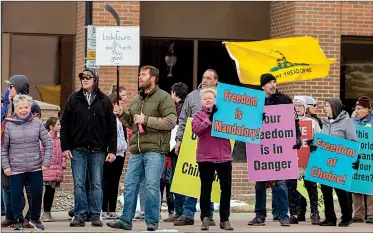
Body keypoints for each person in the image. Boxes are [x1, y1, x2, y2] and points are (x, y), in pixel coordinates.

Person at [107, 65, 177, 231]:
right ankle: (125, 220)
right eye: (139, 74)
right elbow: (132, 121)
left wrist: (146, 120)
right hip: (137, 150)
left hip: (155, 149)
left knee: (152, 186)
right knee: (130, 185)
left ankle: (152, 221)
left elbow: (170, 122)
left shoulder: (164, 97)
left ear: (153, 78)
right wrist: (122, 114)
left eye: (143, 75)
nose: (140, 77)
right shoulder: (137, 99)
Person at [60, 68, 117, 227]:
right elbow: (64, 125)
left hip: (98, 150)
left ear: (95, 79)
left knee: (96, 183)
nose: (84, 79)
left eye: (88, 77)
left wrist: (112, 150)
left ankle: (95, 215)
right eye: (82, 77)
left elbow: (112, 127)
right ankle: (80, 214)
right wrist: (65, 147)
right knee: (78, 183)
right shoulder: (73, 99)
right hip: (78, 149)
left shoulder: (104, 101)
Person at [248, 73, 301, 227]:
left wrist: (296, 137)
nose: (272, 85)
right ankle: (260, 215)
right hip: (261, 149)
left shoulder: (284, 100)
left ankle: (284, 215)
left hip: (279, 149)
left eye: (274, 82)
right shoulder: (256, 102)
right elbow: (248, 123)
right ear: (262, 86)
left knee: (281, 183)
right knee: (260, 183)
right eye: (269, 83)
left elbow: (294, 121)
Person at [1, 94, 53, 230]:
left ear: (30, 107)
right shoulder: (8, 124)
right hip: (15, 168)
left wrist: (46, 162)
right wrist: (6, 166)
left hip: (35, 167)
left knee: (36, 193)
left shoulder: (37, 123)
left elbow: (48, 143)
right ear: (14, 109)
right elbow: (3, 148)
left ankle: (35, 219)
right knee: (16, 195)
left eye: (26, 107)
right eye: (20, 107)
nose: (23, 110)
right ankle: (18, 220)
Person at [173, 70, 218, 227]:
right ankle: (187, 214)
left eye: (209, 78)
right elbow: (183, 120)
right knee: (191, 178)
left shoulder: (225, 97)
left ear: (216, 82)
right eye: (203, 77)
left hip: (217, 145)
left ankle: (209, 215)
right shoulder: (192, 96)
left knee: (211, 180)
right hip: (194, 143)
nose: (204, 80)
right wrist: (179, 140)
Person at [310, 98, 357, 227]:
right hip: (326, 162)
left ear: (335, 107)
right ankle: (330, 218)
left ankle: (346, 217)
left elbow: (353, 142)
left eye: (327, 106)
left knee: (340, 191)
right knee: (325, 190)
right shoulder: (324, 123)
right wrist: (315, 146)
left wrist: (354, 158)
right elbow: (322, 141)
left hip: (340, 162)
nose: (325, 108)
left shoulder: (347, 122)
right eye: (324, 106)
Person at [192, 88, 234, 231]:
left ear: (216, 99)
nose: (208, 100)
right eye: (205, 98)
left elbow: (241, 123)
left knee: (226, 188)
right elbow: (197, 129)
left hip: (224, 156)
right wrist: (210, 119)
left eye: (211, 98)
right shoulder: (198, 115)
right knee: (206, 189)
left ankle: (224, 219)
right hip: (206, 158)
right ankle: (205, 217)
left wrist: (258, 118)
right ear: (202, 101)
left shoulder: (225, 114)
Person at [1, 75, 40, 228]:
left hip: (25, 154)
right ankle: (10, 215)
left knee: (29, 188)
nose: (9, 89)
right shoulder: (9, 105)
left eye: (11, 86)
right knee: (7, 186)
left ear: (18, 87)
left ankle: (29, 217)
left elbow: (33, 129)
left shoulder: (32, 106)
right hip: (7, 151)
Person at [289, 96, 321, 225]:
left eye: (300, 106)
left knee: (311, 188)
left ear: (305, 108)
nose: (297, 108)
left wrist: (315, 144)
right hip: (292, 161)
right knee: (292, 188)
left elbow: (321, 138)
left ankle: (314, 213)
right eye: (295, 106)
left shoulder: (312, 122)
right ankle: (294, 213)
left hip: (308, 161)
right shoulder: (287, 121)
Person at [163, 82, 188, 223]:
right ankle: (181, 211)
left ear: (174, 93)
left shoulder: (177, 109)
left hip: (175, 149)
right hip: (183, 148)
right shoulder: (187, 106)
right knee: (180, 181)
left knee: (176, 181)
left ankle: (180, 211)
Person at [102, 94, 128, 220]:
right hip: (109, 153)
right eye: (119, 104)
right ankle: (103, 208)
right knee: (105, 181)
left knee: (115, 181)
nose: (121, 106)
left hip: (121, 153)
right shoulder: (107, 118)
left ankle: (112, 209)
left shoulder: (121, 119)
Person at [352, 96, 373, 224]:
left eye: (359, 108)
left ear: (367, 109)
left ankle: (371, 215)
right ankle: (358, 215)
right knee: (356, 185)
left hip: (369, 158)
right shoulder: (353, 121)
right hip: (356, 158)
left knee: (370, 186)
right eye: (356, 108)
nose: (357, 111)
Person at [41, 117, 65, 222]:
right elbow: (41, 152)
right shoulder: (46, 139)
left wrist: (62, 164)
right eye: (58, 125)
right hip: (48, 169)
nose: (60, 127)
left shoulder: (60, 140)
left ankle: (48, 213)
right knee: (48, 191)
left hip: (57, 170)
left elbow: (63, 154)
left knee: (52, 191)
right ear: (51, 127)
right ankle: (46, 213)